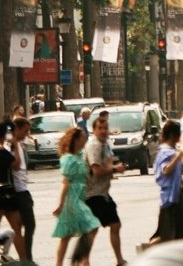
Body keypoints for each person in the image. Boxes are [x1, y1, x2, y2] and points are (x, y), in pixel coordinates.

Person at [52, 126, 101, 266]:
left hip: (80, 197)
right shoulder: (68, 159)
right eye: (82, 138)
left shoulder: (80, 156)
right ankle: (80, 261)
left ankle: (79, 260)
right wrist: (61, 205)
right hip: (72, 199)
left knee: (67, 235)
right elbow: (65, 183)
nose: (84, 140)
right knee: (91, 226)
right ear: (76, 140)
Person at [84, 111, 127, 265]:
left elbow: (108, 163)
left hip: (103, 194)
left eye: (105, 128)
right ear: (94, 130)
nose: (103, 131)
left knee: (115, 225)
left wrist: (113, 166)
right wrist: (115, 169)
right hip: (93, 194)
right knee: (93, 229)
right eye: (100, 128)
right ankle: (84, 261)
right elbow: (96, 171)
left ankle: (119, 260)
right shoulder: (94, 145)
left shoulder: (105, 144)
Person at [148, 120, 183, 245]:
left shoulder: (172, 151)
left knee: (181, 233)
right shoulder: (166, 152)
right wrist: (178, 156)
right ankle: (147, 251)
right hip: (169, 199)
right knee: (166, 235)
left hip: (176, 197)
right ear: (174, 135)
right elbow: (166, 170)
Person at [0, 123, 26, 259]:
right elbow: (16, 165)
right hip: (0, 192)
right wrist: (15, 145)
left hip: (6, 191)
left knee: (16, 227)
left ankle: (24, 260)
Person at [11, 116, 37, 260]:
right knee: (28, 224)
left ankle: (26, 256)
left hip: (22, 189)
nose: (26, 134)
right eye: (25, 131)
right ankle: (26, 257)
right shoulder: (12, 145)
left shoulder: (19, 144)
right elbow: (15, 165)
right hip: (18, 191)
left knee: (24, 226)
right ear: (17, 129)